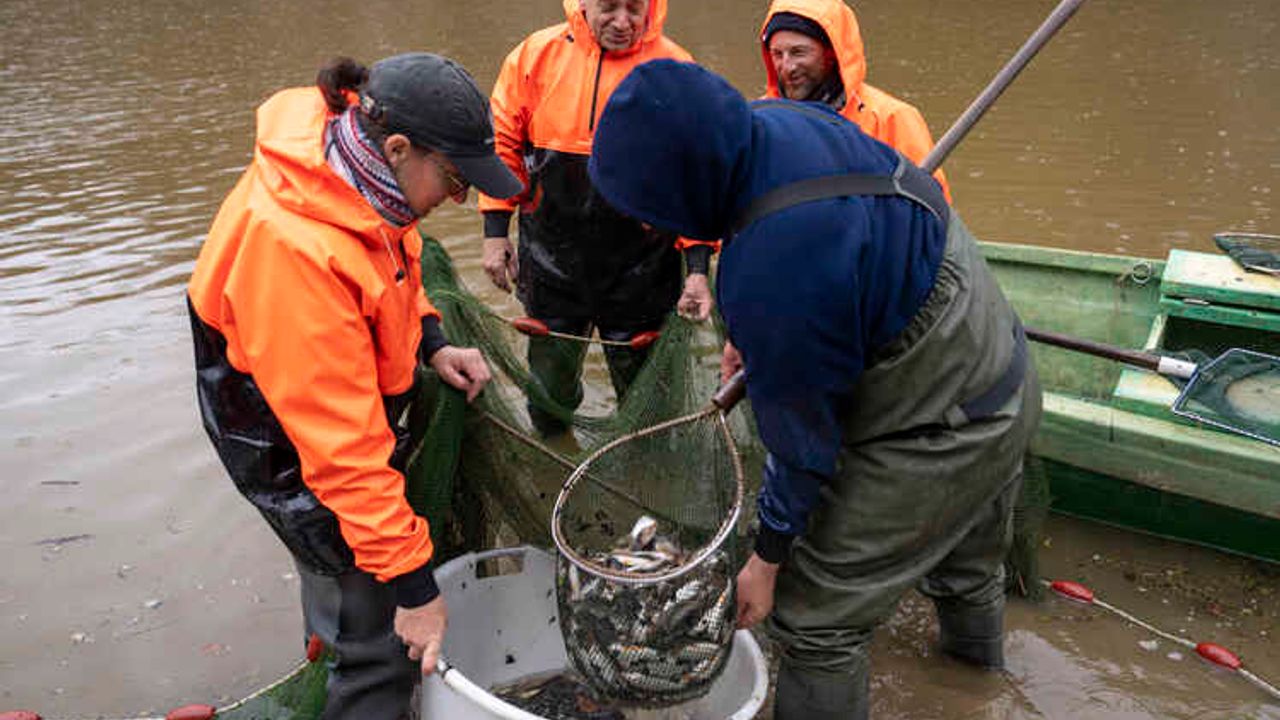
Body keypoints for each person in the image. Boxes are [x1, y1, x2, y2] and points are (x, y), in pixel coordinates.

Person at [588, 60, 1042, 719]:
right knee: (966, 565)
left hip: (947, 423)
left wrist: (767, 562)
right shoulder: (773, 119)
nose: (647, 227)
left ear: (682, 187)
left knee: (814, 620)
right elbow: (843, 259)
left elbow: (805, 453)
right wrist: (755, 336)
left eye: (648, 208)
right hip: (1003, 366)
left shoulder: (776, 263)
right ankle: (974, 688)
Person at [187, 53, 521, 719]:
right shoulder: (293, 250)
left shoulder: (356, 178)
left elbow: (394, 262)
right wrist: (415, 588)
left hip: (331, 422)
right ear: (398, 148)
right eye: (455, 180)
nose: (458, 199)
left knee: (354, 608)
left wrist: (431, 340)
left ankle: (334, 627)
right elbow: (342, 458)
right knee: (378, 644)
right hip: (290, 450)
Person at [478, 0, 715, 435]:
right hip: (550, 262)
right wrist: (495, 231)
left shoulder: (676, 69)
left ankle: (648, 467)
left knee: (648, 405)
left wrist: (698, 268)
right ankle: (554, 449)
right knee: (548, 396)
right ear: (584, 3)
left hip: (642, 271)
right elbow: (503, 144)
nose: (622, 22)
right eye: (609, 6)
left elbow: (695, 177)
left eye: (634, 8)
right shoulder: (535, 55)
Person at [761, 0, 951, 200]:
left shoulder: (891, 119)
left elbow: (934, 213)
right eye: (777, 54)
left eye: (798, 53)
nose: (787, 66)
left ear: (831, 54)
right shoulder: (761, 120)